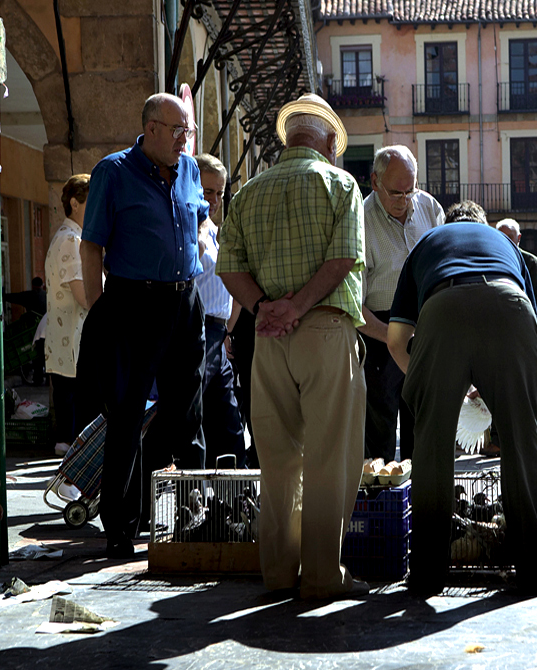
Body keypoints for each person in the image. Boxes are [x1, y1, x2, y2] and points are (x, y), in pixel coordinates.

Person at [217, 93, 368, 601]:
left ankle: (278, 572)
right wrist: (299, 306)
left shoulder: (248, 192)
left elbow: (229, 267)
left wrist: (264, 308)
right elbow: (344, 256)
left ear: (289, 138)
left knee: (277, 458)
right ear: (326, 141)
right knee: (329, 456)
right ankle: (323, 575)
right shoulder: (340, 183)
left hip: (268, 339)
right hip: (323, 330)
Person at [386, 200, 537, 595]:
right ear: (484, 225)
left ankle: (427, 572)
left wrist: (434, 382)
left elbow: (396, 340)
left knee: (431, 447)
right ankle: (533, 569)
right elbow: (525, 312)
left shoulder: (428, 240)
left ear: (447, 224)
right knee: (522, 441)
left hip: (443, 308)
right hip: (511, 306)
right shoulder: (505, 244)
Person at [80, 92, 209, 559]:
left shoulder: (189, 169)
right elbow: (91, 246)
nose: (184, 140)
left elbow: (197, 222)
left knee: (184, 413)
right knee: (127, 415)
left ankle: (175, 509)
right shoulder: (113, 172)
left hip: (184, 300)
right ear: (150, 128)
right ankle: (120, 527)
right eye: (177, 131)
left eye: (187, 131)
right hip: (133, 303)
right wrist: (101, 315)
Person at [361, 145, 444, 464]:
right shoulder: (361, 219)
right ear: (375, 181)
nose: (404, 200)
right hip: (380, 328)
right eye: (396, 193)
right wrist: (391, 336)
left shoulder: (429, 208)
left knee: (422, 424)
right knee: (380, 429)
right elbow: (354, 300)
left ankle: (420, 498)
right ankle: (382, 502)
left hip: (424, 326)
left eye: (411, 190)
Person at [193, 153, 246, 468]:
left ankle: (233, 497)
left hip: (218, 335)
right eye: (206, 191)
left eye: (219, 193)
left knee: (228, 421)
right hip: (195, 333)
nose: (213, 199)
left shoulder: (216, 232)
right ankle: (196, 493)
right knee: (200, 420)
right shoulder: (190, 232)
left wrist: (228, 332)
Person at [44, 174, 90, 458]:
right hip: (72, 343)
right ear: (74, 203)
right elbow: (84, 296)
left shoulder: (70, 237)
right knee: (74, 415)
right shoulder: (71, 240)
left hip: (67, 342)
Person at [496, 218, 537, 358]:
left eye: (509, 237)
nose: (505, 241)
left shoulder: (531, 263)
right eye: (501, 236)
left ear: (518, 238)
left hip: (527, 332)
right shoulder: (492, 262)